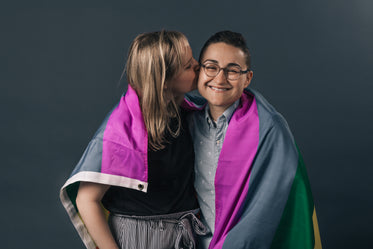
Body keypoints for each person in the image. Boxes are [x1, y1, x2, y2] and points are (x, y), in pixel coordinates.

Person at [60, 30, 206, 249]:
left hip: (183, 235)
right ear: (164, 81)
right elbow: (85, 199)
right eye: (188, 66)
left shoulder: (190, 112)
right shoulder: (122, 130)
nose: (199, 65)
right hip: (139, 239)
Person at [185, 31, 322, 249]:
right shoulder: (185, 118)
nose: (219, 78)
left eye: (232, 71)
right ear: (199, 70)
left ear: (247, 78)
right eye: (211, 67)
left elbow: (279, 203)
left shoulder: (269, 129)